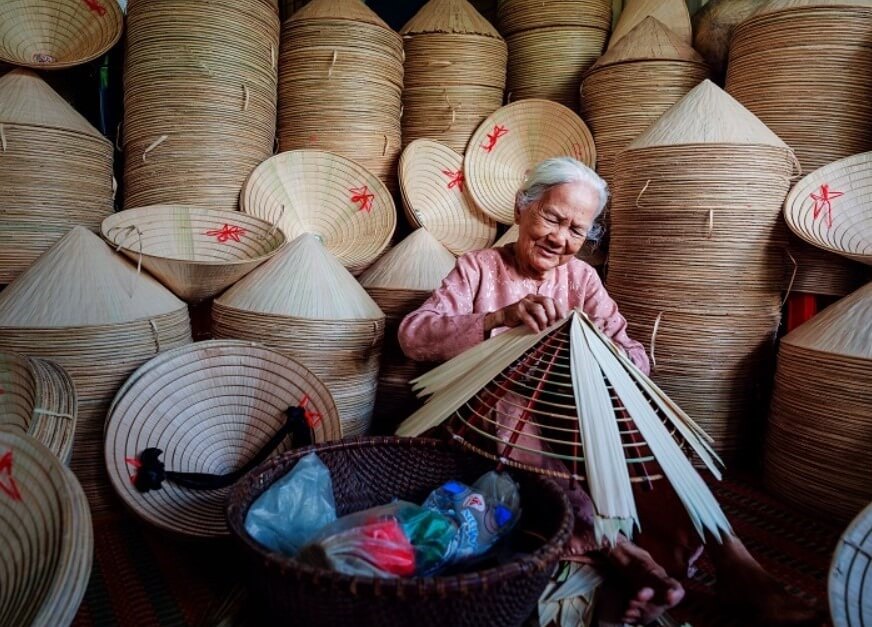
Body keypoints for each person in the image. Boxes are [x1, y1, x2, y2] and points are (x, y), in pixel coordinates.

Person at [398, 157, 821, 626]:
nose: (561, 238)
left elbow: (636, 357)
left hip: (577, 412)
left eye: (578, 230)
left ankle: (735, 561)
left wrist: (598, 352)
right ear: (522, 208)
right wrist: (499, 319)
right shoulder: (478, 268)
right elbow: (414, 335)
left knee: (647, 437)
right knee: (523, 415)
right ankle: (618, 553)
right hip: (493, 416)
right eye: (552, 218)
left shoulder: (582, 279)